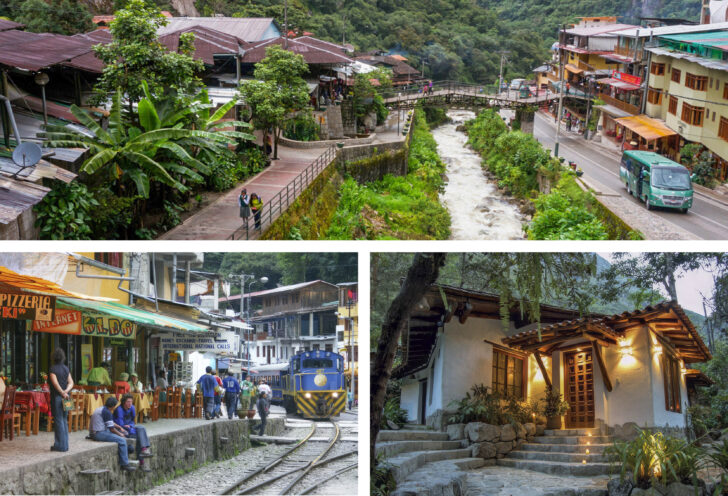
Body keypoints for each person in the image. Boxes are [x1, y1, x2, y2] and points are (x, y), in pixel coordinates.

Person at [89, 396, 136, 471]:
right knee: (122, 441)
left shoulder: (103, 409)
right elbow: (112, 429)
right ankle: (125, 464)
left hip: (97, 431)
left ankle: (126, 452)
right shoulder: (107, 412)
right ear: (113, 406)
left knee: (121, 435)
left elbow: (111, 423)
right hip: (98, 433)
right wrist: (120, 434)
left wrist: (120, 428)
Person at [113, 394, 153, 471]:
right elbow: (120, 424)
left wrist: (130, 425)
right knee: (138, 439)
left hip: (130, 428)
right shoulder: (119, 410)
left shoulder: (132, 408)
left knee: (141, 428)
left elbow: (132, 420)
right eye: (128, 402)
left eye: (131, 401)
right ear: (124, 402)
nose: (130, 403)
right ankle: (142, 463)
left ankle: (144, 449)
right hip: (120, 430)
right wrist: (126, 426)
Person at [49, 347, 74, 452]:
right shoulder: (66, 368)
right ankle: (65, 445)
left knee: (59, 421)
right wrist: (66, 391)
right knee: (64, 420)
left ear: (53, 357)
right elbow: (71, 382)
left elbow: (55, 383)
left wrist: (61, 392)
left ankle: (60, 445)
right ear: (63, 357)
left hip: (57, 397)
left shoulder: (52, 369)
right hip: (66, 398)